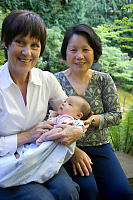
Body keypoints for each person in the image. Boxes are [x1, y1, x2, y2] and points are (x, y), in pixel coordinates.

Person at [0, 10, 85, 200]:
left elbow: (72, 112)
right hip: (7, 164)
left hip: (41, 155)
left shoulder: (46, 80)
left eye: (34, 45)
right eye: (20, 42)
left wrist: (77, 133)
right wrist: (27, 135)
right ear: (5, 40)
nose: (27, 52)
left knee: (68, 192)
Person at [45, 24, 133, 200]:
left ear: (94, 51)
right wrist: (74, 151)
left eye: (86, 49)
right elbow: (47, 120)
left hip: (101, 148)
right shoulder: (55, 81)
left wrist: (91, 121)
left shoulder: (103, 80)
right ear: (66, 52)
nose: (79, 56)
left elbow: (116, 115)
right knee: (88, 191)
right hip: (68, 150)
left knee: (122, 193)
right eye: (73, 50)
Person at [0, 95, 91, 188]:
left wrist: (42, 138)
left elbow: (56, 134)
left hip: (49, 146)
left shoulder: (68, 121)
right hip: (37, 144)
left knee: (30, 159)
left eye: (69, 104)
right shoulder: (61, 117)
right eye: (65, 101)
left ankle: (16, 170)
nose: (63, 103)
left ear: (78, 115)